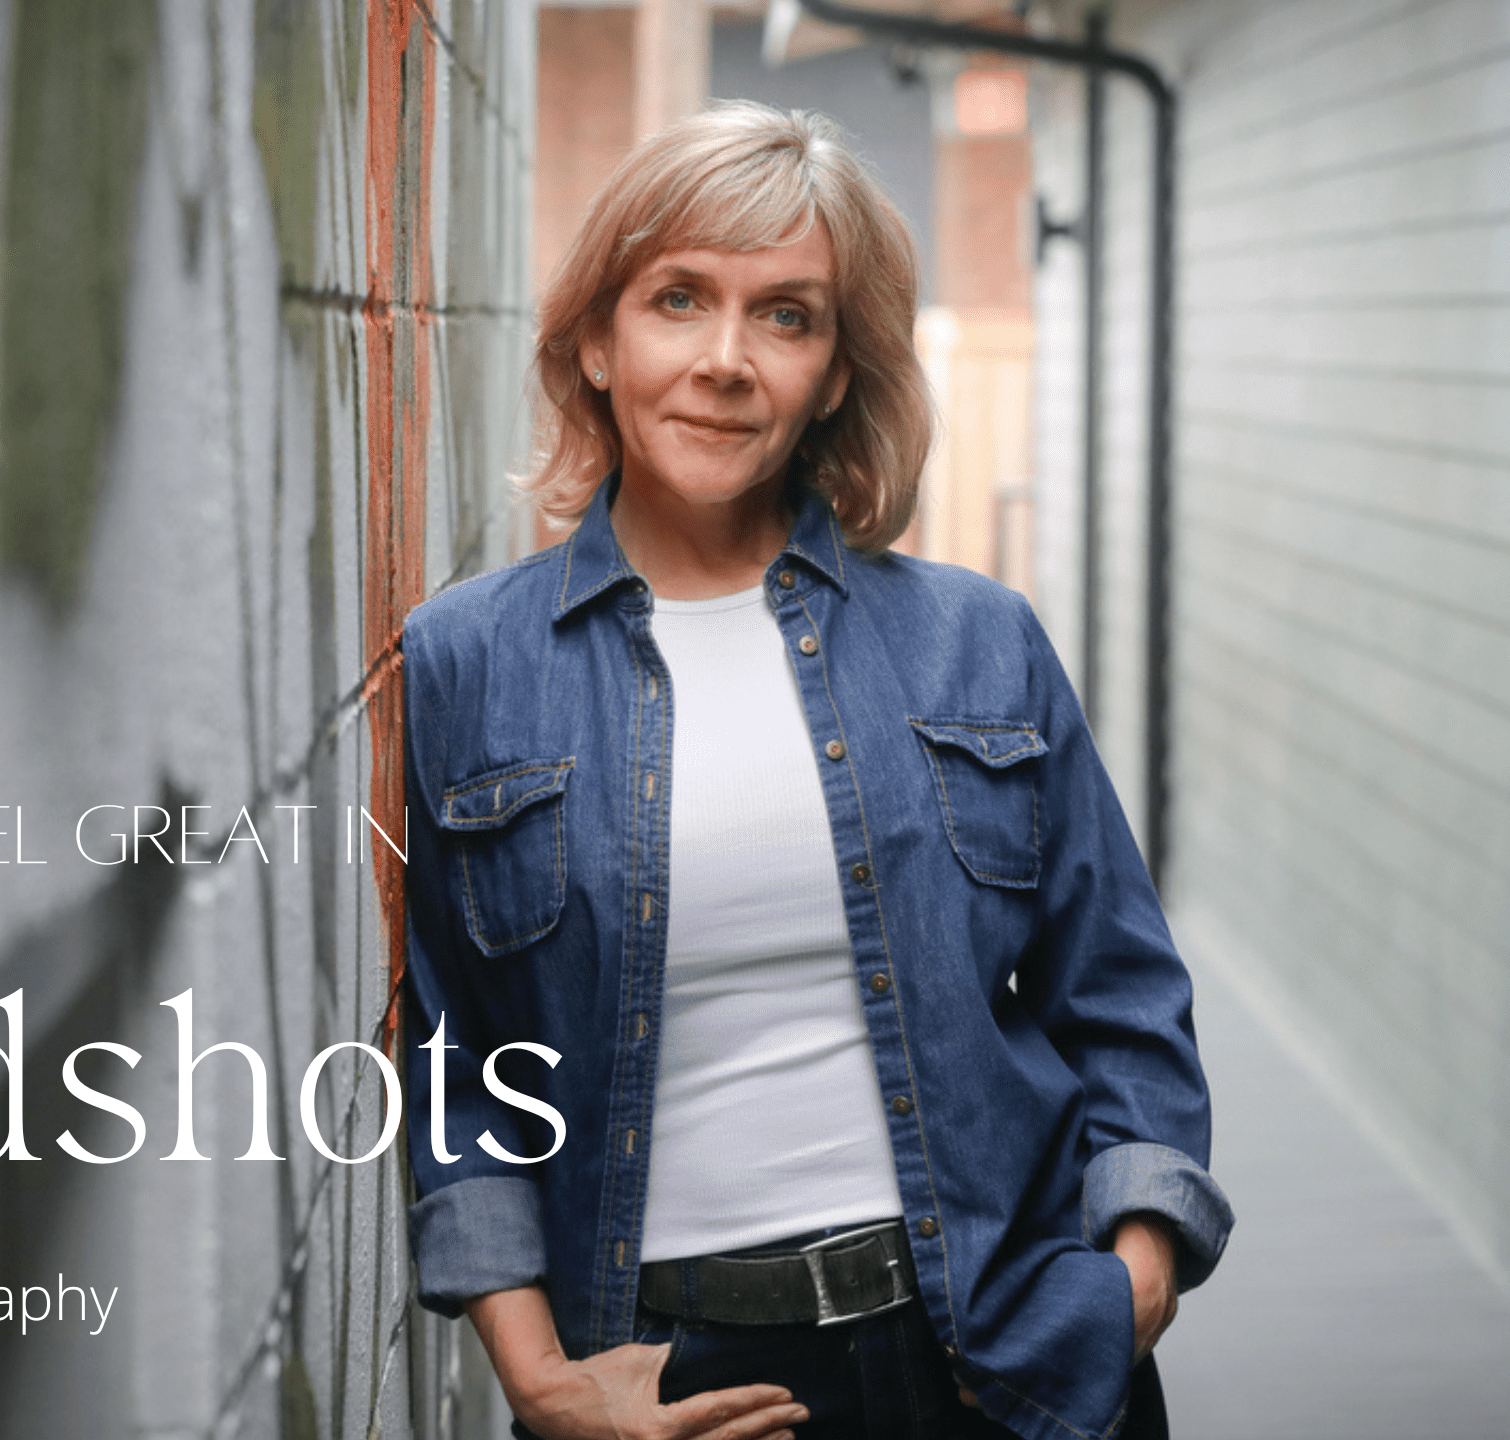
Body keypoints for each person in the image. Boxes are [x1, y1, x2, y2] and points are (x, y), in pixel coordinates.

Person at [398, 101, 1229, 1440]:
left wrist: (1132, 1285)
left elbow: (1121, 996)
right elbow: (455, 1066)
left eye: (787, 315)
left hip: (998, 1351)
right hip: (669, 1375)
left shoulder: (976, 641)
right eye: (679, 299)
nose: (728, 360)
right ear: (597, 341)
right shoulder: (468, 662)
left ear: (837, 370)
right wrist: (542, 1379)